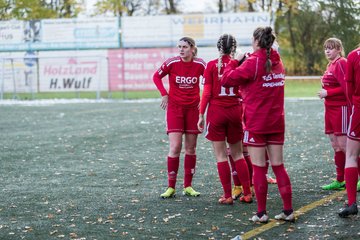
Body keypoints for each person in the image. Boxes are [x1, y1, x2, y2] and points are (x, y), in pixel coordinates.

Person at [221, 26, 294, 223]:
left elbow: (226, 80)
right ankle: (288, 210)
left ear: (256, 41)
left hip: (256, 123)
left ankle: (261, 213)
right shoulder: (278, 62)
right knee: (279, 166)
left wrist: (235, 61)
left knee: (259, 168)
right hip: (277, 121)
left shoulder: (253, 62)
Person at [197, 34, 252, 205]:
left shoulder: (212, 65)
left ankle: (227, 195)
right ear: (234, 48)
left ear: (218, 47)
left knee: (221, 156)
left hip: (216, 112)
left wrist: (201, 114)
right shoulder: (240, 64)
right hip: (235, 111)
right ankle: (248, 193)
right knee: (238, 154)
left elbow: (206, 93)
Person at [153, 37, 206, 198]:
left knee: (191, 148)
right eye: (179, 47)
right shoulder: (172, 63)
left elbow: (210, 82)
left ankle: (188, 186)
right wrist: (164, 94)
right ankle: (171, 187)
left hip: (193, 110)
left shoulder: (200, 64)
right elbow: (156, 76)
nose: (181, 50)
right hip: (175, 109)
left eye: (184, 47)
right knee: (175, 147)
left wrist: (203, 103)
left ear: (192, 49)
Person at [317, 38, 348, 191]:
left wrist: (327, 93)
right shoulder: (330, 65)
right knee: (336, 146)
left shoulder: (342, 62)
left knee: (345, 146)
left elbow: (347, 87)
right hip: (329, 109)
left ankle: (357, 177)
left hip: (340, 109)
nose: (327, 51)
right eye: (326, 48)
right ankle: (340, 180)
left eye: (331, 48)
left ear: (338, 49)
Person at [338, 44, 360, 217]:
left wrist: (354, 106)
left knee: (351, 156)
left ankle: (352, 203)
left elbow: (349, 88)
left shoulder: (353, 56)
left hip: (359, 110)